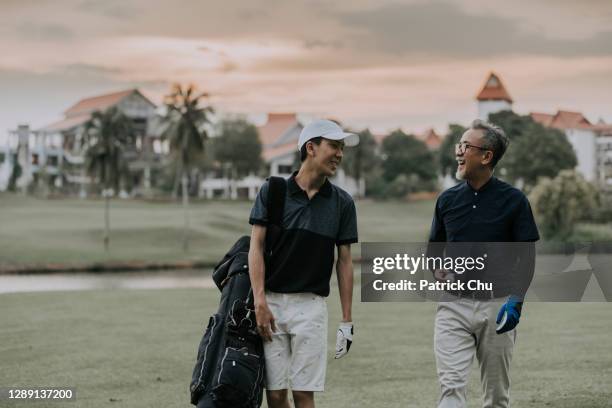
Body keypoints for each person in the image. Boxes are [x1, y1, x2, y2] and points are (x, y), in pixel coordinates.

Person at [248, 119, 359, 408]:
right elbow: (255, 247)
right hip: (271, 304)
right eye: (334, 145)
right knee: (274, 395)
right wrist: (259, 300)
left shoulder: (342, 203)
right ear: (311, 147)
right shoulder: (273, 191)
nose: (340, 154)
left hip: (311, 307)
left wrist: (346, 320)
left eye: (342, 148)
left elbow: (344, 262)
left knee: (303, 393)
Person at [429, 119, 539, 408]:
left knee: (496, 396)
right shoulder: (447, 200)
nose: (458, 152)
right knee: (450, 387)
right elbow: (433, 249)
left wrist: (516, 301)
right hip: (453, 305)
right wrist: (435, 269)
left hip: (498, 305)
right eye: (459, 145)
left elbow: (527, 257)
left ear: (486, 156)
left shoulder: (515, 201)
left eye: (465, 146)